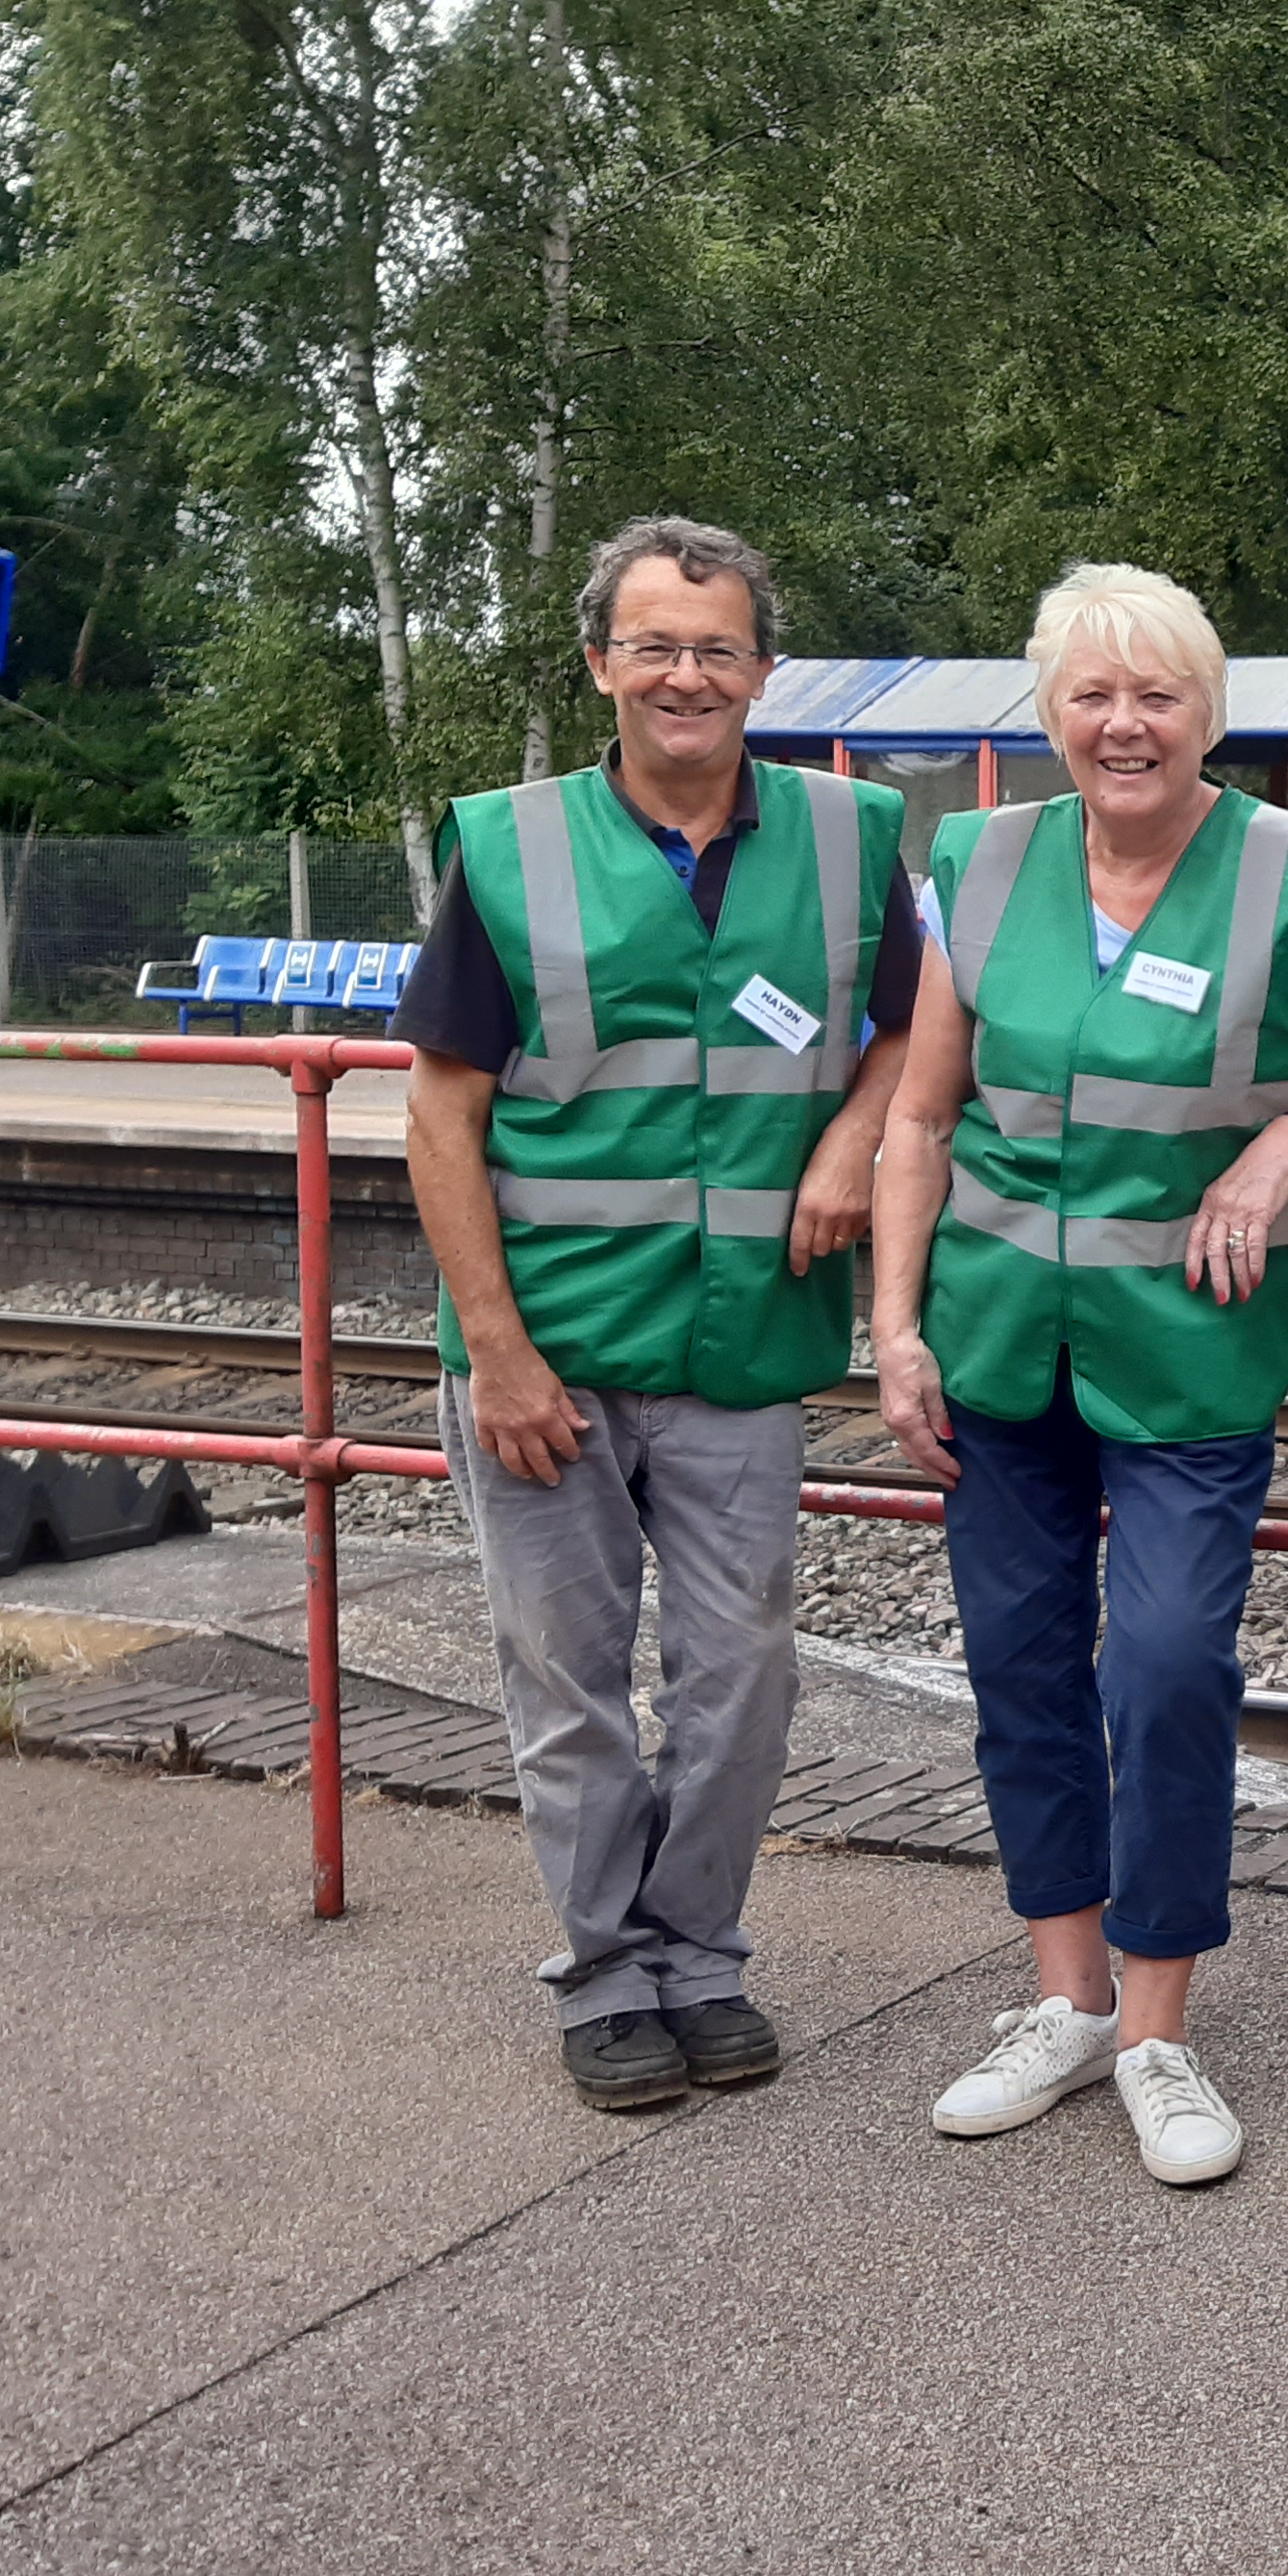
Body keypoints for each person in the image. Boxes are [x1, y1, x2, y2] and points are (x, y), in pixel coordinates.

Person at [869, 565, 1288, 2188]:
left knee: (1171, 1667)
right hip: (991, 1348)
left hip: (1190, 1348)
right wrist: (896, 1328)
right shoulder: (976, 860)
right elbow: (920, 1114)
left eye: (1158, 694)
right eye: (1092, 695)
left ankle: (1160, 2032)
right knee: (1021, 1672)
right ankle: (1062, 1998)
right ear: (1050, 713)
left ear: (1209, 711)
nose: (1125, 724)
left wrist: (1287, 1142)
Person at [400, 515, 912, 2112]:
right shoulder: (510, 845)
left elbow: (911, 1033)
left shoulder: (853, 837)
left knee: (739, 1674)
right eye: (655, 645)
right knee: (564, 1678)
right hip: (544, 1348)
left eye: (717, 647)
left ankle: (698, 1951)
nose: (686, 674)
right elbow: (439, 1118)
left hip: (740, 1343)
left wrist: (850, 1132)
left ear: (763, 669)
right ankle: (605, 1973)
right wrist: (495, 1351)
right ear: (601, 664)